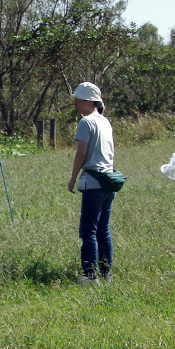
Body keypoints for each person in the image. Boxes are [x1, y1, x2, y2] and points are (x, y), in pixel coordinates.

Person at [66, 82, 117, 284]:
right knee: (104, 229)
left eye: (77, 100)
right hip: (109, 181)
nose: (75, 103)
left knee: (88, 231)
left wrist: (72, 178)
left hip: (93, 181)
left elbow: (81, 154)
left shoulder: (86, 122)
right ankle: (106, 274)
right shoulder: (105, 122)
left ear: (89, 101)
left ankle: (90, 275)